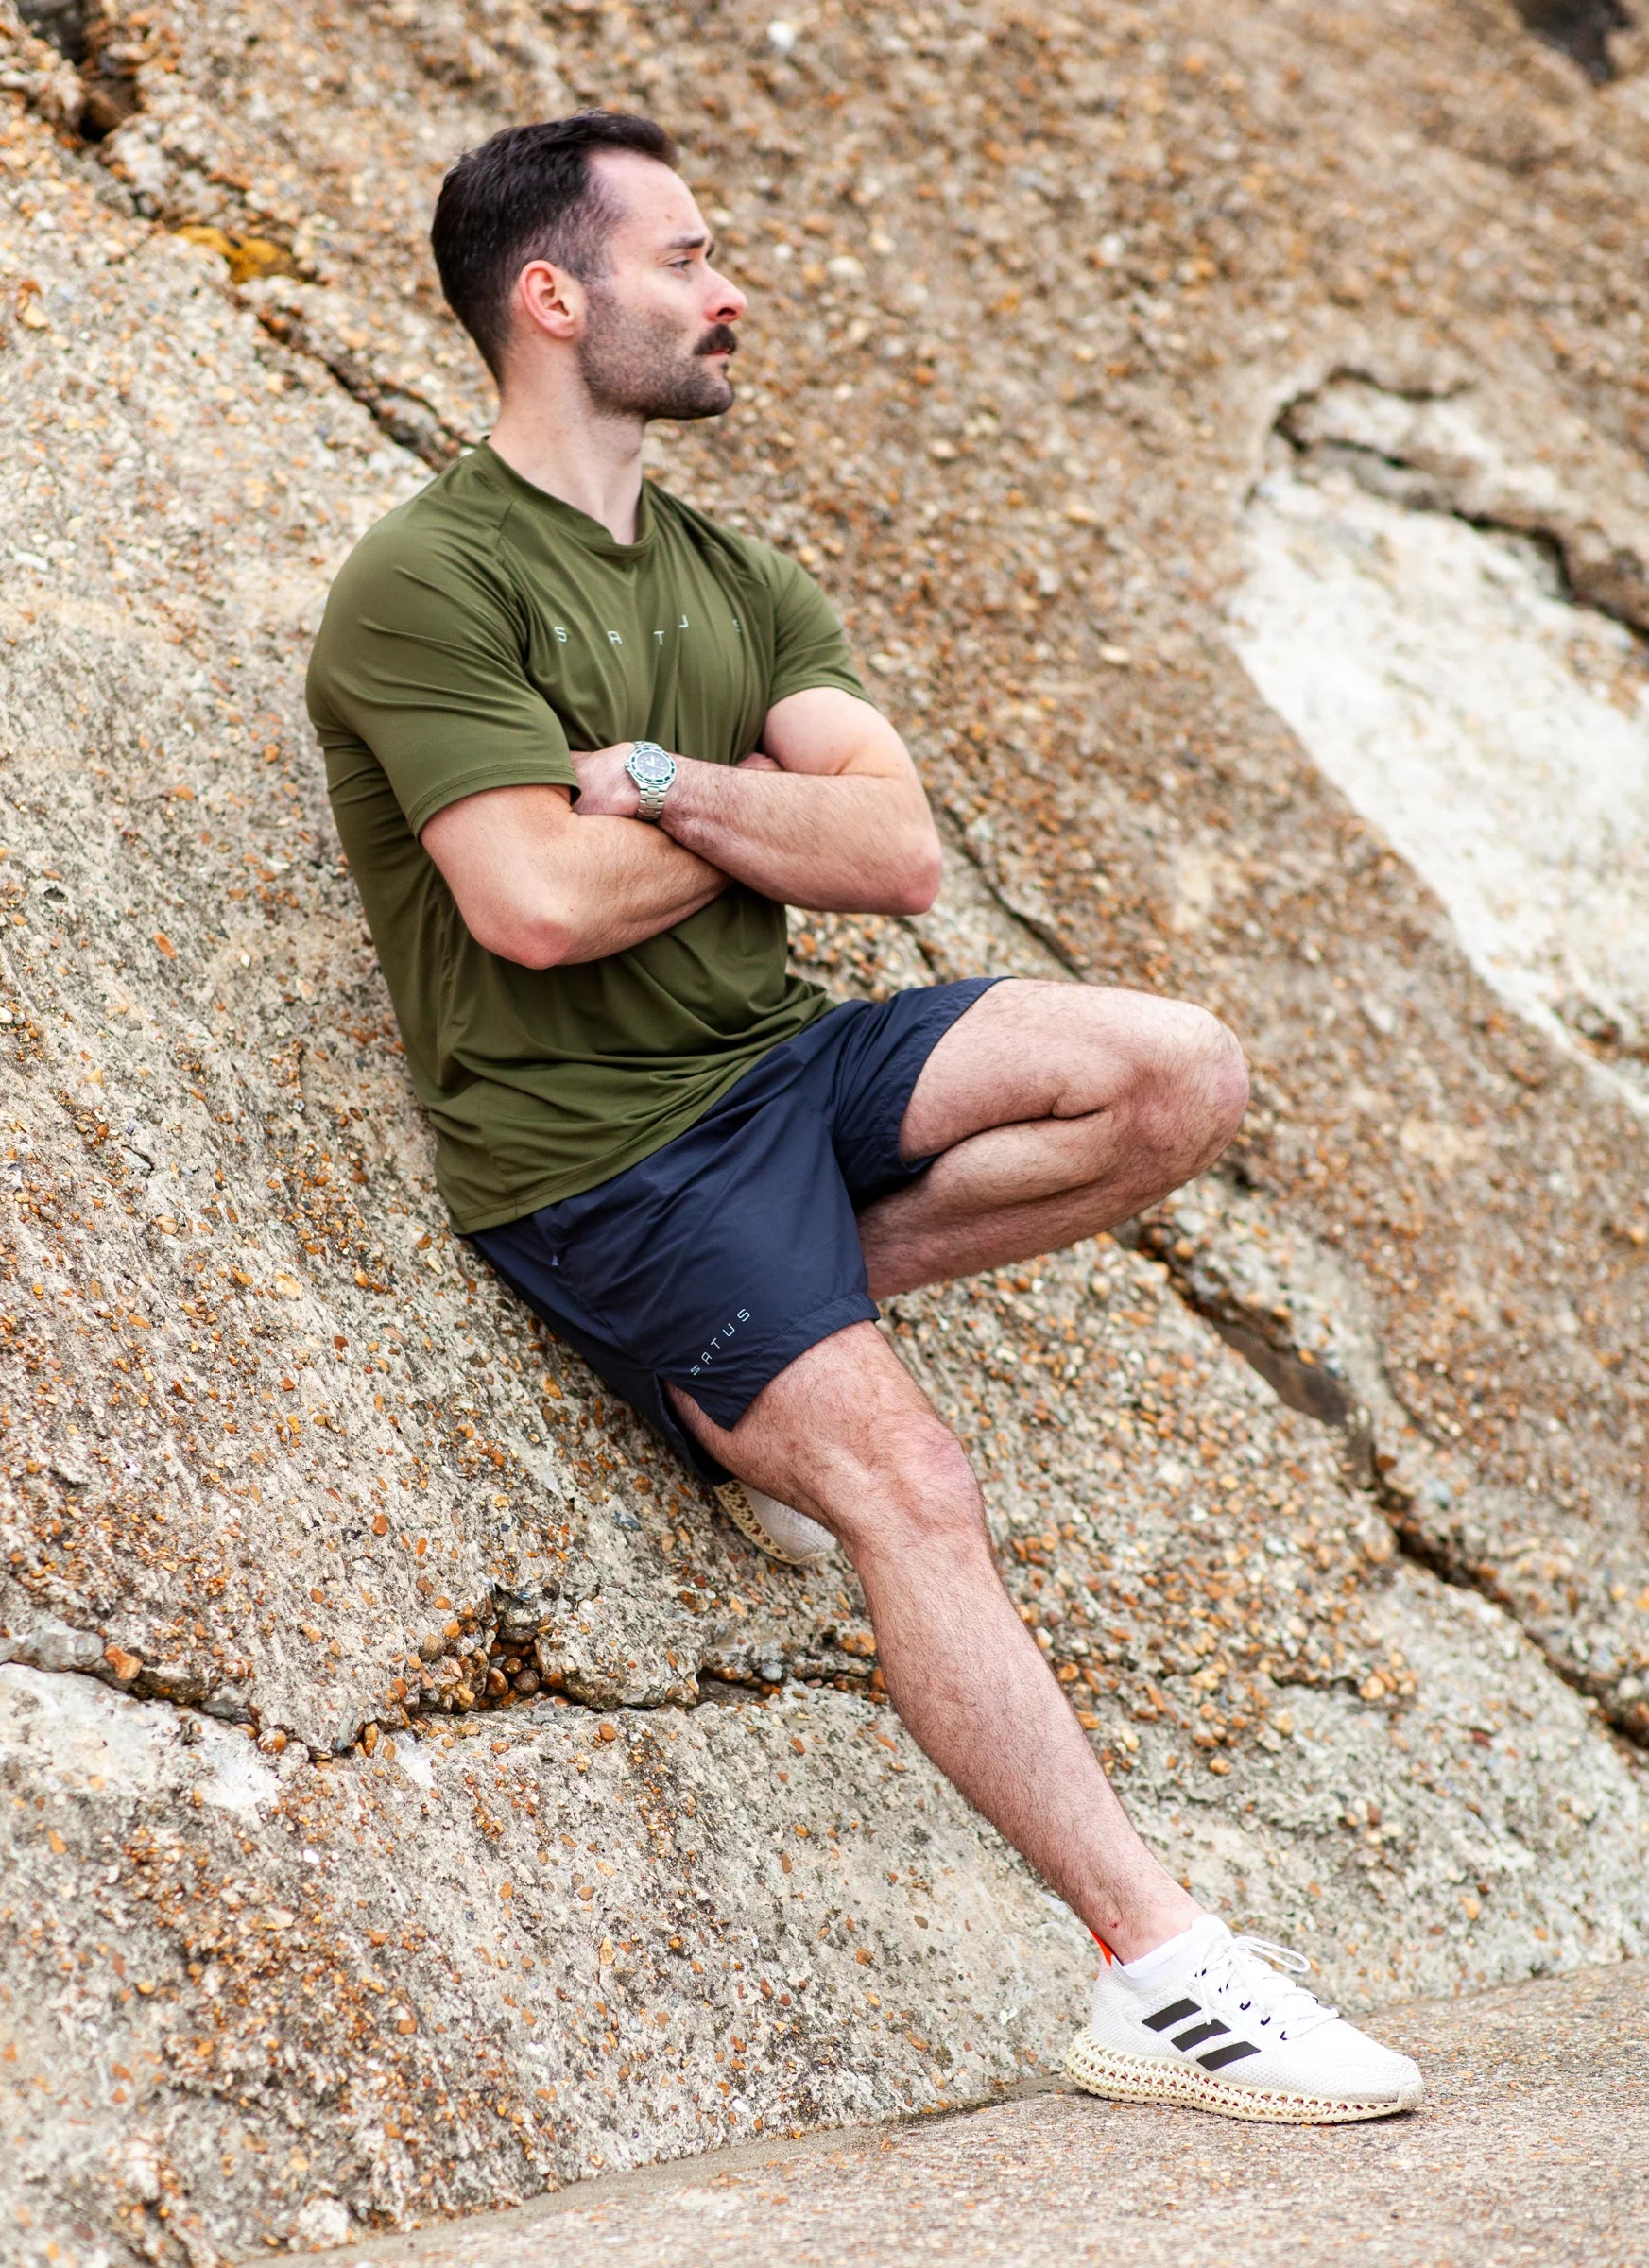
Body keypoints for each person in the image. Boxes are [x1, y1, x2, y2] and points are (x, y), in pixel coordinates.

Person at [305, 110, 1421, 2125]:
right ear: (551, 300)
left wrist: (644, 779)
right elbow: (532, 906)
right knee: (909, 1485)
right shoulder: (427, 581)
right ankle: (1158, 1977)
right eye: (687, 259)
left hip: (774, 1073)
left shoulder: (738, 572)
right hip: (603, 1156)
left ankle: (749, 1357)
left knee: (1178, 1070)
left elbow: (897, 850)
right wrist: (755, 820)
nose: (730, 294)